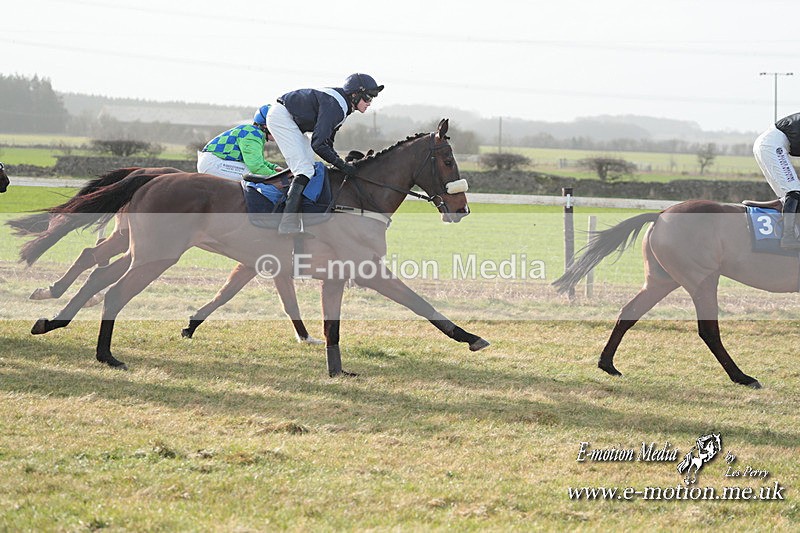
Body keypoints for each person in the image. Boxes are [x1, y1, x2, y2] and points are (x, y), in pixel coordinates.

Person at [267, 73, 384, 235]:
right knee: (305, 170)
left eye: (372, 99)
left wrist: (340, 163)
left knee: (310, 167)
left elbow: (327, 142)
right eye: (367, 98)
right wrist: (341, 165)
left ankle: (298, 218)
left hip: (289, 119)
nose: (370, 103)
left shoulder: (342, 107)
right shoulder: (335, 106)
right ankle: (287, 224)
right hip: (282, 117)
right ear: (355, 95)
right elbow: (318, 144)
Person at [197, 105, 282, 180]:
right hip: (213, 163)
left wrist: (273, 168)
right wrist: (279, 177)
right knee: (254, 175)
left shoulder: (253, 133)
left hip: (214, 161)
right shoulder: (252, 135)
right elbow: (256, 168)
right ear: (266, 126)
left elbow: (257, 161)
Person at [753, 112, 800, 249]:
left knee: (790, 195)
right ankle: (788, 237)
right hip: (773, 145)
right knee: (794, 190)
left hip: (769, 144)